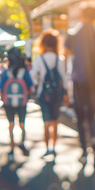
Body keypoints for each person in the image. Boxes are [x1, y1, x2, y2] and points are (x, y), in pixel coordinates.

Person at [64, 0, 95, 160]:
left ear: (81, 15)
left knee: (80, 114)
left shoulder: (73, 34)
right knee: (92, 112)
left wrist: (65, 80)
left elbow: (66, 56)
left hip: (78, 80)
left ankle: (84, 148)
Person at [32, 30, 68, 158]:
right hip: (57, 95)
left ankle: (47, 148)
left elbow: (34, 78)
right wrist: (66, 94)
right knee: (55, 121)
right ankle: (54, 147)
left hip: (43, 94)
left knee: (46, 122)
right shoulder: (60, 59)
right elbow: (64, 79)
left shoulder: (39, 60)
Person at [0, 48, 33, 158]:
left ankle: (11, 145)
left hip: (8, 102)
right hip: (22, 102)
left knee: (11, 124)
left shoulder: (6, 72)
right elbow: (31, 87)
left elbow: (0, 88)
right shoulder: (24, 72)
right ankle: (22, 143)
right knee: (22, 124)